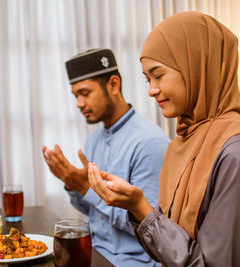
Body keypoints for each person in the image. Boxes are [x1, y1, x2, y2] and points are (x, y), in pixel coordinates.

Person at [88, 12, 240, 267]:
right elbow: (167, 249)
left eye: (158, 75)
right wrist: (137, 207)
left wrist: (142, 208)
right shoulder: (182, 142)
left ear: (197, 67)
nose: (151, 90)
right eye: (148, 79)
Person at [42, 48, 169, 266]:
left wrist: (86, 188)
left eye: (85, 93)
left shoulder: (149, 142)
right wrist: (72, 183)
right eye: (75, 96)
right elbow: (95, 213)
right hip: (93, 254)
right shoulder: (93, 140)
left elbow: (152, 227)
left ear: (113, 84)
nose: (79, 104)